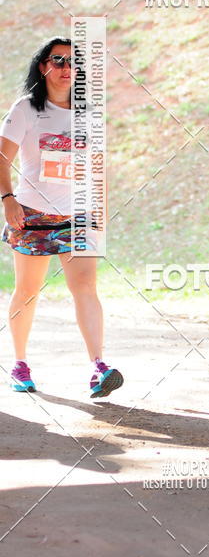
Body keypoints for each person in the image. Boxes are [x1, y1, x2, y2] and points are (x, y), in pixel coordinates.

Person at [0, 36, 123, 399]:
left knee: (85, 287)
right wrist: (7, 199)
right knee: (27, 290)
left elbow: (96, 167)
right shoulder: (25, 109)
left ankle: (99, 366)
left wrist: (99, 209)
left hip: (78, 215)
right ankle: (19, 365)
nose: (66, 68)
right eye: (58, 60)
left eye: (73, 63)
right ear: (43, 66)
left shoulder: (89, 113)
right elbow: (2, 157)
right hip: (32, 215)